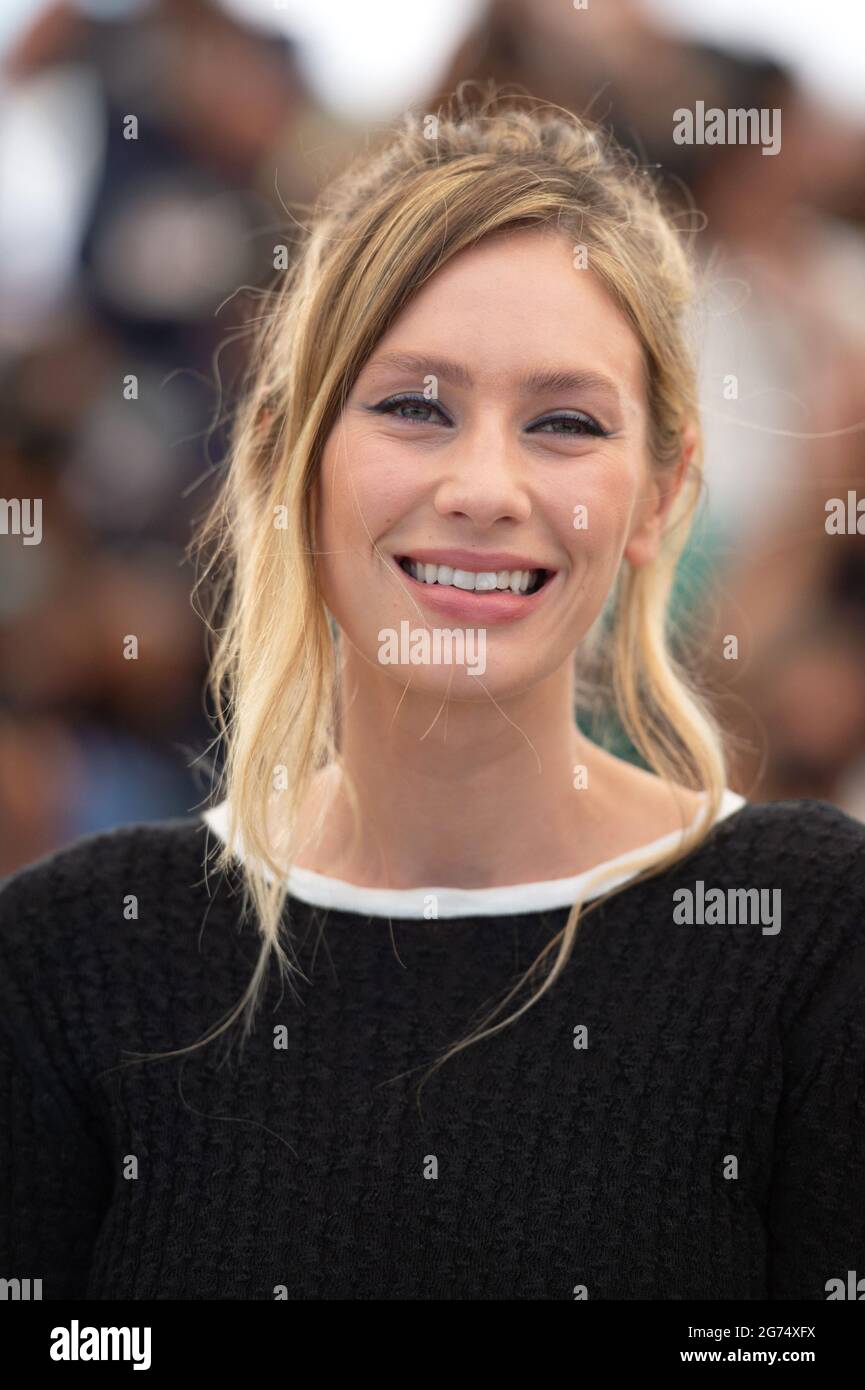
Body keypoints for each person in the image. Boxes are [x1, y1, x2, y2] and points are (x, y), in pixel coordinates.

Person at [1, 87, 863, 1301]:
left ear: (660, 495)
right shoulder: (70, 955)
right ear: (286, 453)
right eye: (414, 406)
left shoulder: (813, 933)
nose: (483, 484)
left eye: (564, 422)